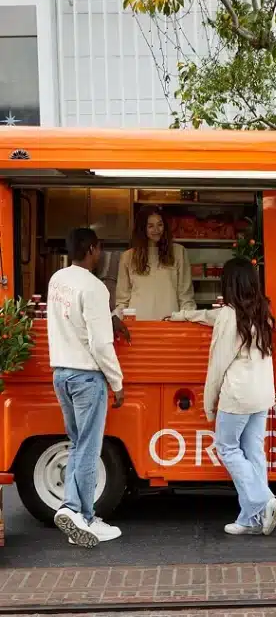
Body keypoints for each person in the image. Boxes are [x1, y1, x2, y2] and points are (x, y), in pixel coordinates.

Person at [168, 258, 276, 536]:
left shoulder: (230, 317)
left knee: (227, 448)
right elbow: (212, 316)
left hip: (238, 396)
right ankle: (250, 520)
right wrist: (184, 315)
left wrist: (209, 405)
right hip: (262, 394)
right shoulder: (261, 312)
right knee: (253, 452)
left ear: (228, 284)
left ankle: (264, 499)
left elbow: (217, 366)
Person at [48, 228, 128, 547]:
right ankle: (81, 513)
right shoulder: (94, 287)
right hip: (86, 376)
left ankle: (77, 513)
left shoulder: (57, 280)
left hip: (61, 374)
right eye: (100, 250)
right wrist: (117, 381)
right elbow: (100, 342)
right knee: (89, 447)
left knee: (78, 443)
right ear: (93, 249)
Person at [115, 206, 196, 321]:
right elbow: (122, 300)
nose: (156, 230)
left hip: (171, 324)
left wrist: (188, 320)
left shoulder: (179, 252)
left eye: (160, 224)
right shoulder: (128, 257)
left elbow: (186, 296)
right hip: (138, 325)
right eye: (150, 226)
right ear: (142, 229)